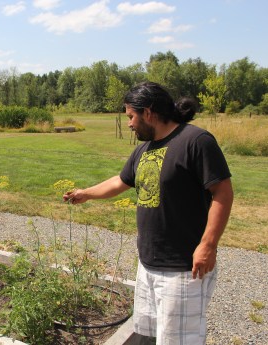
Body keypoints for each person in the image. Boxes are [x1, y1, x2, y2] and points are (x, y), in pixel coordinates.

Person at [63, 81, 233, 345]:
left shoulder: (196, 141)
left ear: (149, 112)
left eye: (131, 116)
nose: (129, 123)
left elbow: (222, 193)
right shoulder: (144, 149)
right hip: (148, 265)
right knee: (149, 337)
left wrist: (208, 245)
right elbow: (120, 181)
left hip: (183, 269)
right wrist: (86, 193)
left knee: (179, 341)